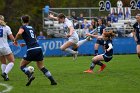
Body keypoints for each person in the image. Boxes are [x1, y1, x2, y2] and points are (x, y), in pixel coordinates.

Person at [13, 15, 57, 86]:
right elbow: (34, 39)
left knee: (22, 65)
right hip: (38, 48)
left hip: (31, 50)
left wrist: (15, 40)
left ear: (22, 21)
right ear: (28, 21)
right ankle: (52, 80)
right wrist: (25, 44)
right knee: (41, 67)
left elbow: (19, 33)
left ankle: (30, 75)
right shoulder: (32, 28)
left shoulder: (22, 27)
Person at [0, 15, 15, 81]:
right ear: (3, 20)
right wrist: (15, 41)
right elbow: (11, 38)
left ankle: (6, 77)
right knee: (12, 61)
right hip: (4, 47)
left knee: (3, 62)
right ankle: (5, 73)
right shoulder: (6, 27)